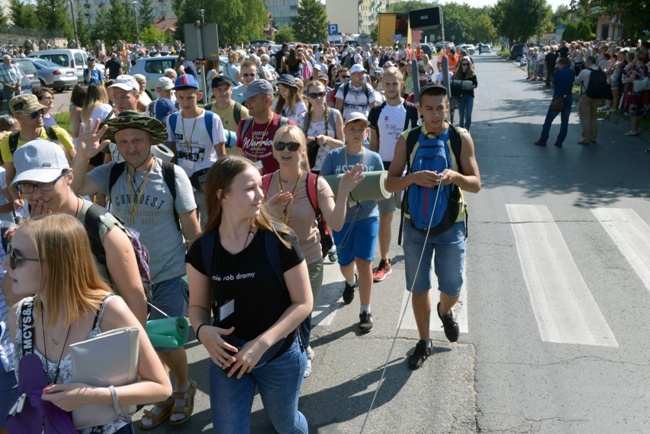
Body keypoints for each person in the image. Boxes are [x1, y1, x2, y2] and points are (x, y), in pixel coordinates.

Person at [71, 112, 202, 429]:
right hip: (125, 279)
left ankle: (183, 387)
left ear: (151, 141)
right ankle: (165, 394)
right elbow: (74, 189)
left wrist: (201, 280)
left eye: (137, 141)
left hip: (167, 274)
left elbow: (193, 231)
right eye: (124, 142)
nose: (131, 148)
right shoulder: (111, 173)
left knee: (164, 341)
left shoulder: (173, 175)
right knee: (139, 342)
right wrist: (82, 156)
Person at [6, 213, 171, 433]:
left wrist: (91, 395)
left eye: (16, 257)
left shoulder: (108, 311)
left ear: (53, 263)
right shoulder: (19, 316)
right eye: (8, 252)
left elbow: (161, 386)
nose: (5, 263)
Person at [186, 156, 312, 433]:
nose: (261, 194)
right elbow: (197, 306)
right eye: (249, 188)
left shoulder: (280, 240)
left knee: (286, 424)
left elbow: (303, 303)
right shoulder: (202, 249)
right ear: (223, 195)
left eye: (260, 185)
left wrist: (259, 345)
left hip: (278, 353)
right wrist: (202, 331)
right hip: (228, 358)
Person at [385, 84, 481, 369]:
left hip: (452, 225)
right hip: (415, 225)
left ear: (448, 106)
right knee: (418, 286)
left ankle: (445, 310)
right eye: (429, 108)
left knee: (452, 286)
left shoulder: (460, 137)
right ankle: (424, 341)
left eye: (440, 107)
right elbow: (390, 183)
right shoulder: (408, 138)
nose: (435, 114)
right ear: (420, 109)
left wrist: (455, 177)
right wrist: (412, 178)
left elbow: (476, 184)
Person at [11, 140, 148, 325]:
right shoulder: (29, 229)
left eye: (45, 183)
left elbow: (135, 301)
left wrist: (134, 350)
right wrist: (35, 237)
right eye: (27, 185)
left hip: (104, 338)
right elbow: (13, 296)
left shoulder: (102, 229)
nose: (36, 194)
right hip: (56, 340)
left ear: (69, 176)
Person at [263, 124, 357, 377]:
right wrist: (267, 208)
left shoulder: (316, 184)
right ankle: (287, 350)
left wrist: (345, 193)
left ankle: (302, 351)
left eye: (292, 146)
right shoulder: (262, 184)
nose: (286, 150)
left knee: (302, 312)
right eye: (280, 145)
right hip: (272, 262)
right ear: (273, 150)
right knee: (277, 312)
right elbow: (247, 223)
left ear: (303, 151)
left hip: (308, 259)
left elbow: (335, 224)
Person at [320, 113, 383, 333]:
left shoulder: (373, 158)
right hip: (342, 219)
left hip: (367, 217)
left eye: (361, 129)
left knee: (364, 262)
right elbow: (322, 186)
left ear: (367, 133)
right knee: (345, 264)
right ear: (344, 131)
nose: (357, 134)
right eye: (352, 129)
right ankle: (349, 282)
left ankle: (365, 309)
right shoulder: (333, 157)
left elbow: (381, 187)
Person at [368, 67, 420, 283]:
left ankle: (418, 252)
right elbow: (373, 143)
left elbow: (416, 141)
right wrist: (371, 169)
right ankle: (385, 260)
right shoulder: (376, 112)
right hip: (384, 171)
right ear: (382, 85)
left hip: (407, 169)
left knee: (413, 215)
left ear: (402, 84)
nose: (390, 88)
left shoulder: (411, 110)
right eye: (387, 84)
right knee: (385, 217)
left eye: (394, 84)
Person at [167, 74, 226, 225]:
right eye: (181, 98)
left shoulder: (211, 118)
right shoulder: (172, 119)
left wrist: (222, 181)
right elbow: (173, 152)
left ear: (198, 95)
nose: (185, 102)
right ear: (176, 97)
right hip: (183, 179)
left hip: (206, 178)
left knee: (209, 222)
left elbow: (221, 153)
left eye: (190, 98)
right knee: (187, 224)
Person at [0, 94, 75, 208]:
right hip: (32, 203)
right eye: (33, 114)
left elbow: (75, 163)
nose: (40, 116)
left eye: (41, 111)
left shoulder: (56, 133)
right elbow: (10, 176)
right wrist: (16, 198)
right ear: (18, 116)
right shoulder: (9, 141)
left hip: (61, 200)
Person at [235, 79, 295, 174]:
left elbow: (300, 162)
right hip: (252, 186)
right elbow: (241, 156)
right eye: (247, 99)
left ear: (267, 100)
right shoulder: (243, 125)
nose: (247, 103)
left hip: (279, 186)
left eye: (252, 99)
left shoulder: (286, 126)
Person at [298, 80, 344, 174]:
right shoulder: (303, 118)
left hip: (332, 168)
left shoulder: (334, 114)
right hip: (309, 169)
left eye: (321, 94)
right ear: (308, 99)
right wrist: (306, 142)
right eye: (313, 95)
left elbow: (342, 144)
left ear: (326, 95)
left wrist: (327, 139)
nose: (318, 98)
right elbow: (297, 146)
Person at [534, 57, 576, 147]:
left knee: (548, 120)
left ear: (561, 63)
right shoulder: (572, 72)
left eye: (558, 64)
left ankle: (543, 139)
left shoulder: (558, 72)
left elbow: (552, 85)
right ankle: (559, 141)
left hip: (558, 98)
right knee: (564, 122)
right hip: (568, 98)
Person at [575, 56, 601, 144]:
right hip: (597, 96)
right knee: (593, 117)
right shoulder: (600, 71)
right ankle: (593, 137)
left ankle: (585, 138)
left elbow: (576, 81)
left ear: (588, 62)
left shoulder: (585, 71)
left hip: (586, 95)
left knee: (585, 117)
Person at [453, 58, 478, 130]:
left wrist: (470, 86)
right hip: (460, 96)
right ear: (461, 65)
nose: (465, 66)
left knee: (468, 115)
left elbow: (475, 84)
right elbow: (453, 83)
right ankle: (462, 131)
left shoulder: (472, 74)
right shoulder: (457, 74)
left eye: (467, 64)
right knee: (461, 115)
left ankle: (467, 130)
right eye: (464, 64)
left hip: (469, 96)